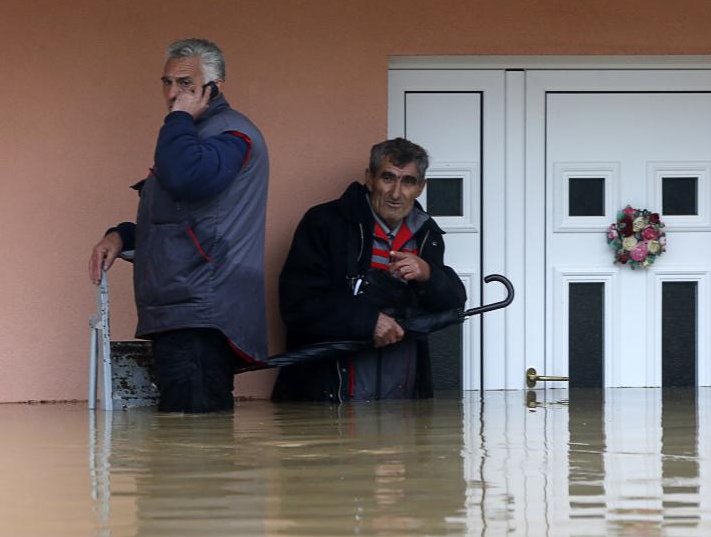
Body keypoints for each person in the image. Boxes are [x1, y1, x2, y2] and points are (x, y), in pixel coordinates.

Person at [88, 38, 268, 413]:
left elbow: (185, 178)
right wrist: (121, 236)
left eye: (186, 84)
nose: (173, 94)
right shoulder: (191, 138)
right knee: (182, 452)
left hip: (201, 313)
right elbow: (181, 221)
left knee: (195, 450)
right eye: (167, 83)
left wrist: (179, 118)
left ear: (213, 87)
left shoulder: (230, 134)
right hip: (184, 309)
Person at [272, 138, 466, 402]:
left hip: (403, 397)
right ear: (369, 178)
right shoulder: (324, 223)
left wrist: (429, 274)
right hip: (329, 395)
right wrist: (367, 322)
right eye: (388, 178)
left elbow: (453, 304)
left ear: (421, 187)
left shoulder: (427, 234)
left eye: (408, 181)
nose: (396, 193)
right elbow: (297, 305)